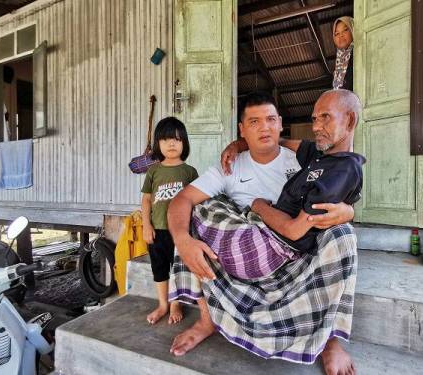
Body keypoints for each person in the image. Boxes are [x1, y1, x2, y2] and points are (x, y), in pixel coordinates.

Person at [167, 90, 362, 375]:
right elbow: (181, 200)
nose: (265, 128)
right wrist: (183, 241)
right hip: (247, 248)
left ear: (281, 123)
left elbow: (338, 187)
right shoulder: (229, 165)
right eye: (254, 122)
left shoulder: (306, 160)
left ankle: (329, 338)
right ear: (242, 130)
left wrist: (349, 211)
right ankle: (207, 320)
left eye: (271, 120)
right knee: (193, 216)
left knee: (343, 234)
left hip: (295, 258)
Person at [140, 117, 198, 325]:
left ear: (184, 143)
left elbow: (196, 202)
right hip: (158, 230)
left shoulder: (190, 172)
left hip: (181, 231)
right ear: (158, 144)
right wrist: (146, 225)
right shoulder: (153, 171)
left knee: (178, 269)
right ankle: (163, 304)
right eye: (165, 140)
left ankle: (176, 303)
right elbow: (146, 199)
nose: (171, 144)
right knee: (159, 268)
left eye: (176, 139)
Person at [332, 16, 354, 91]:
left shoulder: (359, 53)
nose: (341, 35)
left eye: (345, 30)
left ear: (352, 30)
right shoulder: (338, 62)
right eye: (337, 33)